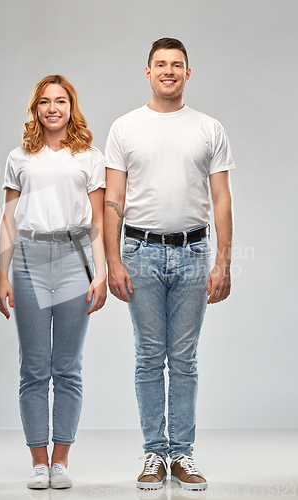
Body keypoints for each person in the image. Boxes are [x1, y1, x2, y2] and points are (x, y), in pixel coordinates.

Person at [104, 38, 235, 491]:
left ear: (187, 73)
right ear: (147, 72)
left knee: (183, 358)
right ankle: (152, 454)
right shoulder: (124, 128)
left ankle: (181, 453)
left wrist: (224, 261)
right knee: (147, 356)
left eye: (176, 65)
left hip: (194, 252)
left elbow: (221, 198)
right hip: (139, 253)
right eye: (160, 64)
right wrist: (112, 261)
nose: (168, 71)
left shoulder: (208, 128)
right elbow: (114, 200)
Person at [0, 75, 106, 490]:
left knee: (68, 368)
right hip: (28, 260)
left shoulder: (89, 157)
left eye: (61, 101)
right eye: (45, 102)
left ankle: (61, 460)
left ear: (71, 106)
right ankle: (38, 461)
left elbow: (97, 221)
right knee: (35, 367)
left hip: (76, 260)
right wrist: (1, 274)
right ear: (35, 109)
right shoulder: (19, 156)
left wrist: (101, 275)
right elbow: (7, 220)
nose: (53, 108)